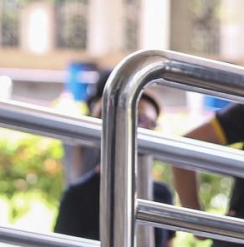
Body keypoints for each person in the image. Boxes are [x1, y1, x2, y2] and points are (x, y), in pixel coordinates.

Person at [53, 71, 175, 246]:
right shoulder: (78, 195)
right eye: (138, 119)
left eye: (150, 124)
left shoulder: (161, 193)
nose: (142, 130)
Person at [172, 102, 244, 245]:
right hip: (241, 234)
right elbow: (182, 151)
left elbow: (182, 151)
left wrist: (198, 224)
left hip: (242, 234)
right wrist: (199, 223)